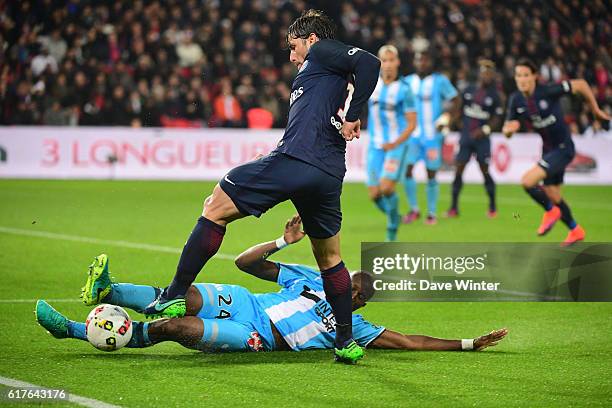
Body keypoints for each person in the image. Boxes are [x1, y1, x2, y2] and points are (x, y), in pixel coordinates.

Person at [142, 10, 381, 364]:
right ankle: (345, 341)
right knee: (330, 259)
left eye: (293, 45)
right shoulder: (323, 76)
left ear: (311, 39)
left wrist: (354, 112)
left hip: (298, 161)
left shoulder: (322, 51)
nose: (291, 54)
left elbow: (369, 61)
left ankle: (175, 294)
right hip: (327, 173)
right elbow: (309, 123)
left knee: (215, 206)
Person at [35, 217, 508, 354]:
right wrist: (282, 241)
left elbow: (409, 340)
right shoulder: (309, 278)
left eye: (355, 294)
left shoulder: (354, 327)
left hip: (258, 337)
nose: (348, 293)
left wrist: (467, 343)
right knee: (185, 294)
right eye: (347, 286)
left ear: (358, 299)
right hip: (248, 301)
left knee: (177, 328)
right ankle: (109, 291)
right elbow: (245, 262)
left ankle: (77, 330)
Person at [502, 58, 610, 246]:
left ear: (534, 76)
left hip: (564, 148)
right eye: (518, 75)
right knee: (552, 193)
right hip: (548, 150)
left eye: (526, 75)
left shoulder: (548, 91)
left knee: (527, 181)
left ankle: (551, 211)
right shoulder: (516, 100)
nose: (522, 79)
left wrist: (596, 110)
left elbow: (581, 85)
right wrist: (508, 131)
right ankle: (575, 230)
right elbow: (509, 127)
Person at [366, 45, 417, 241]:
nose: (387, 65)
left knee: (387, 187)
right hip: (375, 146)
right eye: (384, 61)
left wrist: (395, 142)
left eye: (391, 60)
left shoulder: (405, 90)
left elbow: (412, 123)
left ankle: (392, 230)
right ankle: (395, 215)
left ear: (398, 62)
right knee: (374, 194)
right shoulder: (372, 84)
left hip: (396, 146)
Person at [402, 50, 459, 225]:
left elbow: (456, 100)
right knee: (407, 171)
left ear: (430, 63)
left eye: (424, 60)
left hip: (432, 136)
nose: (421, 63)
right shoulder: (408, 81)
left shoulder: (439, 81)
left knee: (431, 173)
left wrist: (448, 118)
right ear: (415, 62)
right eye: (419, 60)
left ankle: (431, 213)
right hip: (412, 136)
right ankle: (414, 209)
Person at [447, 59, 503, 218]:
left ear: (492, 76)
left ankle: (492, 207)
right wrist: (453, 122)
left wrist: (485, 129)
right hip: (465, 138)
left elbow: (497, 119)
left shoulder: (495, 96)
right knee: (458, 170)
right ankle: (453, 208)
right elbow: (459, 109)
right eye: (484, 72)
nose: (486, 76)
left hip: (482, 140)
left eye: (489, 73)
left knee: (485, 171)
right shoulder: (468, 90)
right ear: (479, 73)